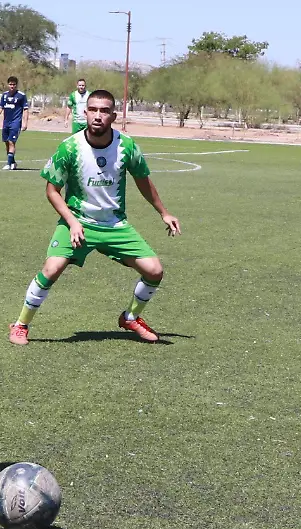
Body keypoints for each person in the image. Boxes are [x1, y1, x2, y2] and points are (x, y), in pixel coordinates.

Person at [9, 89, 181, 346]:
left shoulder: (127, 146)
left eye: (104, 111)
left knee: (155, 271)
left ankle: (131, 317)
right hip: (78, 221)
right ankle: (21, 324)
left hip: (114, 225)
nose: (98, 116)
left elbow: (143, 181)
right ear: (85, 113)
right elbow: (52, 191)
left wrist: (164, 213)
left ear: (113, 115)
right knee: (51, 268)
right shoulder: (70, 147)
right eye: (93, 110)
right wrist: (72, 221)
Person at [0, 76, 30, 170]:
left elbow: (25, 109)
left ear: (16, 85)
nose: (12, 86)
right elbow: (1, 107)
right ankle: (13, 162)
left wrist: (25, 122)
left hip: (16, 122)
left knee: (12, 142)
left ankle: (8, 164)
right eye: (10, 84)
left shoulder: (21, 96)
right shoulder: (4, 95)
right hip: (6, 122)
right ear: (8, 85)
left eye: (14, 84)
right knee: (7, 142)